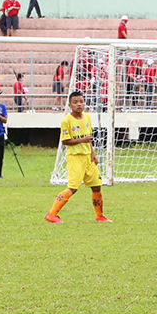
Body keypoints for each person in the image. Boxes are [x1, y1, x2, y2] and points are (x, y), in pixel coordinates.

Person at [45, 90, 110, 223]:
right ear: (70, 105)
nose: (79, 104)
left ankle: (100, 216)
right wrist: (82, 140)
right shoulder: (66, 121)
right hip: (75, 157)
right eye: (75, 102)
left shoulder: (87, 117)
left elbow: (89, 139)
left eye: (81, 101)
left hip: (88, 157)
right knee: (73, 188)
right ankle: (51, 214)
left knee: (97, 185)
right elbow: (65, 141)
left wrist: (93, 153)